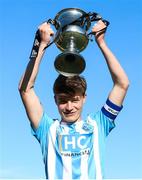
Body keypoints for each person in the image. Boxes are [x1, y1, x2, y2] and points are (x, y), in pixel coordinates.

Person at [18, 19, 129, 180]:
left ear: (84, 98)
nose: (69, 106)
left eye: (74, 100)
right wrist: (41, 45)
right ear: (55, 100)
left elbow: (122, 84)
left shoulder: (98, 124)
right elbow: (25, 90)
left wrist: (101, 43)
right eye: (63, 100)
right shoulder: (47, 129)